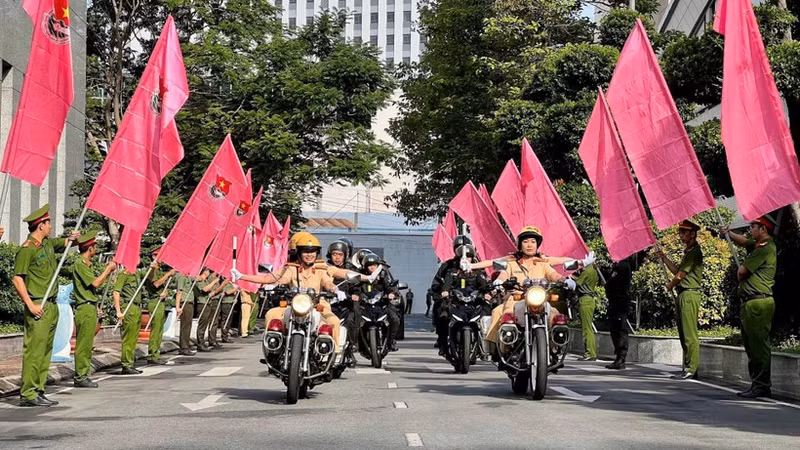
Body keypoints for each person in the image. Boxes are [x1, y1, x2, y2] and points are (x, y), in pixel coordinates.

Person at [232, 232, 374, 353]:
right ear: (299, 253)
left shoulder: (321, 268)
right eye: (305, 251)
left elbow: (332, 279)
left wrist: (337, 288)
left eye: (312, 251)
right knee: (270, 314)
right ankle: (272, 348)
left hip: (317, 305)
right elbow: (277, 278)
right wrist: (242, 276)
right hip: (294, 304)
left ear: (317, 253)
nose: (309, 255)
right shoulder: (291, 268)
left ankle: (335, 353)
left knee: (335, 322)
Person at [13, 205, 79, 406]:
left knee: (45, 351)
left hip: (51, 305)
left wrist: (74, 237)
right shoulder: (27, 249)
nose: (51, 226)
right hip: (37, 305)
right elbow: (17, 279)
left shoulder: (48, 244)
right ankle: (28, 393)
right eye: (49, 223)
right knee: (34, 350)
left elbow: (66, 242)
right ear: (40, 225)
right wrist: (30, 305)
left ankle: (38, 389)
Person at [483, 227, 579, 350]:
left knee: (556, 315)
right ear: (520, 245)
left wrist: (565, 280)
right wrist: (499, 281)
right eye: (525, 241)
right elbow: (504, 274)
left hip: (539, 299)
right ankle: (503, 348)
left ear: (537, 245)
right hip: (516, 299)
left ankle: (554, 347)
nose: (529, 245)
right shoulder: (512, 263)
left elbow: (553, 275)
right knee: (505, 314)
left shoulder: (542, 263)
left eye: (533, 242)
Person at [723, 216, 777, 399]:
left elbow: (742, 272)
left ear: (763, 229)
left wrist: (741, 274)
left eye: (753, 226)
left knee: (758, 346)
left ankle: (762, 386)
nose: (750, 230)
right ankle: (757, 384)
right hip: (751, 302)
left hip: (758, 303)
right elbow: (745, 241)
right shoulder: (759, 245)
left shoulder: (764, 249)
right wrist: (729, 233)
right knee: (751, 346)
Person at [656, 219, 703, 379]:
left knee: (689, 333)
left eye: (684, 232)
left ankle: (692, 368)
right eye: (680, 232)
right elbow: (677, 271)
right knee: (683, 332)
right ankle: (688, 366)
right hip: (683, 293)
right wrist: (664, 258)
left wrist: (670, 285)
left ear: (692, 234)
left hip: (689, 293)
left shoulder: (695, 251)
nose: (681, 235)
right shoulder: (688, 252)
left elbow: (681, 275)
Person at [71, 231, 117, 387]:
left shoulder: (87, 264)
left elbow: (90, 290)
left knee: (88, 343)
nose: (96, 249)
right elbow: (95, 283)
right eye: (95, 246)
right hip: (84, 308)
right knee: (83, 344)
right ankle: (80, 376)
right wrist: (108, 269)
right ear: (89, 248)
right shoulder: (80, 264)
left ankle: (83, 374)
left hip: (89, 307)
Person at [430, 235, 472, 348]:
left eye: (465, 249)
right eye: (459, 248)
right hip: (453, 300)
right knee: (441, 312)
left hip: (472, 299)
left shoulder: (476, 266)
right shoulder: (448, 266)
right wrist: (442, 293)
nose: (463, 252)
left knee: (487, 312)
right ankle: (442, 339)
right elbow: (436, 283)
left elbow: (484, 282)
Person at [604, 253, 641, 370]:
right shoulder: (618, 265)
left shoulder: (623, 266)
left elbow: (613, 282)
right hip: (615, 302)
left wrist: (608, 284)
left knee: (620, 330)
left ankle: (621, 358)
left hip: (620, 302)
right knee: (615, 329)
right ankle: (618, 357)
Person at [359, 252, 402, 351]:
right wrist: (355, 295)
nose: (372, 268)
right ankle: (356, 344)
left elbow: (391, 285)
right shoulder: (361, 275)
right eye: (369, 265)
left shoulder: (384, 274)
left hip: (382, 303)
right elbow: (354, 287)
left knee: (395, 319)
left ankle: (391, 341)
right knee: (354, 319)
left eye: (374, 265)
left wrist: (392, 293)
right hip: (365, 305)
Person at [114, 264, 148, 374]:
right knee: (128, 338)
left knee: (133, 338)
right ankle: (126, 365)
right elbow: (116, 292)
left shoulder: (137, 274)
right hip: (129, 307)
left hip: (137, 308)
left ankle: (130, 363)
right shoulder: (124, 274)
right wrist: (118, 311)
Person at [144, 253, 176, 365]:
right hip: (155, 301)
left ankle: (156, 354)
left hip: (161, 301)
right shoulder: (152, 270)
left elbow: (161, 286)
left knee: (159, 330)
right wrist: (168, 274)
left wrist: (165, 292)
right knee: (156, 330)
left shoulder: (159, 270)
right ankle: (152, 355)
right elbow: (156, 284)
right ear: (153, 256)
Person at [573, 262, 601, 361]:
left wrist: (571, 276)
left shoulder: (587, 271)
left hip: (585, 300)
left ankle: (590, 353)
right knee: (589, 327)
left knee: (586, 328)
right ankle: (591, 352)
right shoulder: (593, 270)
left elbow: (577, 283)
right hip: (590, 300)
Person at [195, 269, 220, 351]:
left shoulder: (205, 281)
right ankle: (200, 343)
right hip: (202, 304)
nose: (208, 273)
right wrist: (214, 282)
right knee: (202, 325)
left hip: (208, 303)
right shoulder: (199, 281)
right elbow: (205, 289)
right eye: (207, 271)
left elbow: (209, 289)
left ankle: (202, 343)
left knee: (205, 324)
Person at [176, 273, 197, 356]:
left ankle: (186, 346)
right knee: (185, 326)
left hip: (190, 303)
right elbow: (179, 292)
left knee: (188, 326)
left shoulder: (188, 277)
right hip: (185, 303)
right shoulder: (182, 277)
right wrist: (178, 307)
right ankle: (184, 347)